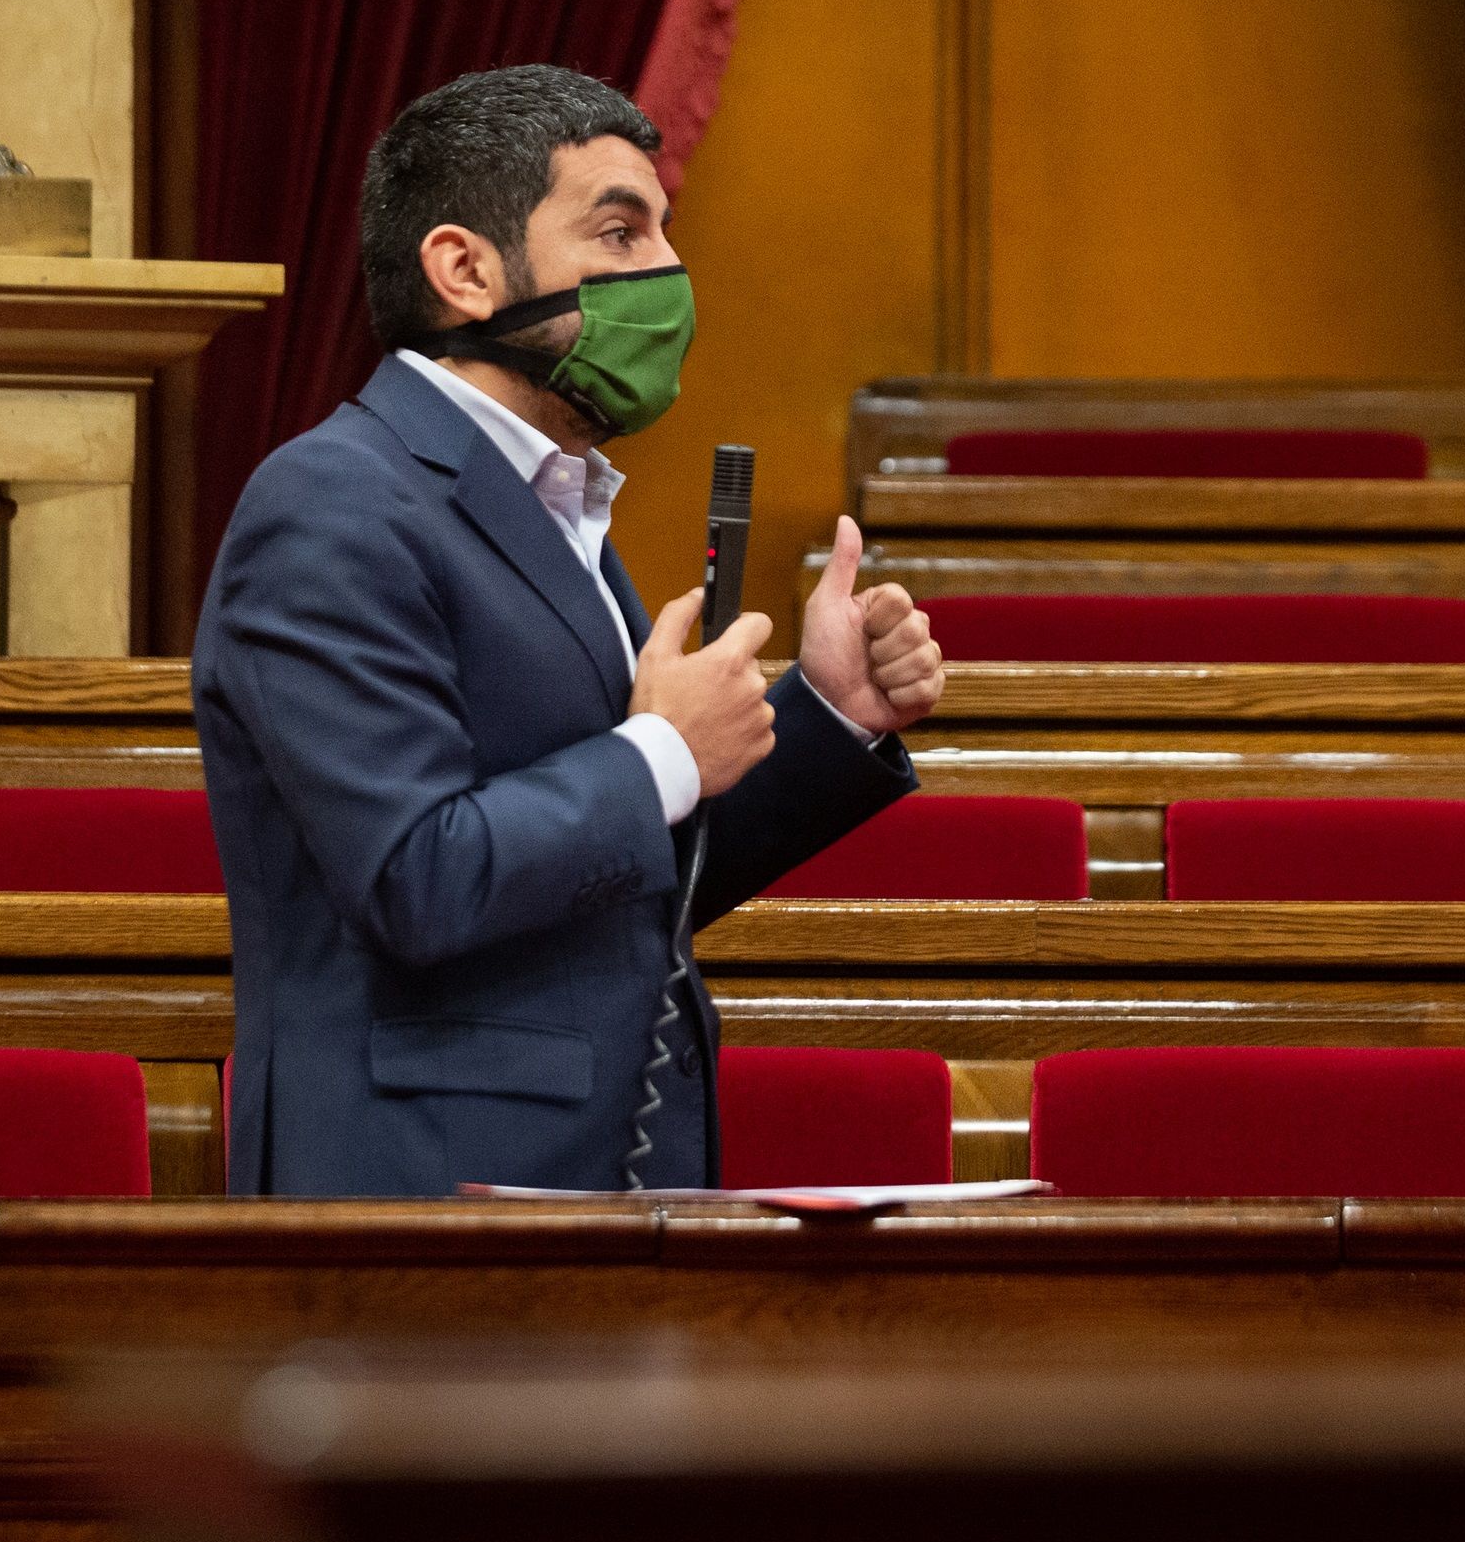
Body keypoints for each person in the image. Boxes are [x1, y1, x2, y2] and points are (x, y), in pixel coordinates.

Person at [196, 66, 946, 1196]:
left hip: (586, 1182)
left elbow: (630, 864)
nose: (668, 275)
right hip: (416, 1201)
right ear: (463, 269)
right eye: (617, 232)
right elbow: (415, 877)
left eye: (661, 233)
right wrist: (660, 754)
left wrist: (827, 711)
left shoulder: (556, 508)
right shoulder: (333, 503)